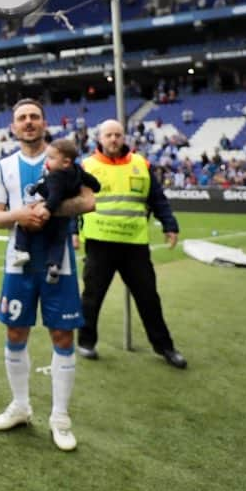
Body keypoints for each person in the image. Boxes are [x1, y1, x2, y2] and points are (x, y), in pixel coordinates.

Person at [0, 98, 95, 452]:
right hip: (17, 262)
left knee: (62, 336)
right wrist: (22, 214)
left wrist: (48, 211)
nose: (29, 122)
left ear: (44, 122)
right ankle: (20, 406)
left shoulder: (65, 160)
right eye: (22, 118)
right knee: (16, 330)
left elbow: (88, 201)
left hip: (58, 260)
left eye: (34, 116)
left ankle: (60, 417)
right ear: (14, 126)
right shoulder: (3, 167)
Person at [77, 119, 187, 369]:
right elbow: (75, 201)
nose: (113, 139)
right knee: (92, 297)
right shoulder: (87, 166)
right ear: (100, 138)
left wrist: (170, 225)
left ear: (124, 137)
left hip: (134, 245)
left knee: (149, 297)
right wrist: (74, 230)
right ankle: (86, 342)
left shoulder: (141, 164)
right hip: (99, 243)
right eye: (109, 135)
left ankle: (165, 347)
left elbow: (157, 198)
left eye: (117, 134)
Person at [12, 138, 101, 284]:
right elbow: (91, 180)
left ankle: (21, 251)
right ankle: (54, 266)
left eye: (51, 158)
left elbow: (54, 195)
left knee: (23, 223)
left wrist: (47, 209)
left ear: (65, 162)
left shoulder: (55, 176)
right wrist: (97, 186)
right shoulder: (77, 169)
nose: (47, 160)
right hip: (64, 216)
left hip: (47, 205)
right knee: (58, 240)